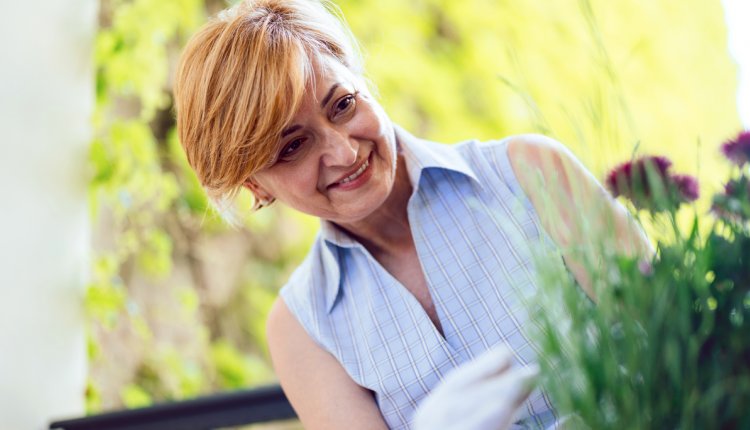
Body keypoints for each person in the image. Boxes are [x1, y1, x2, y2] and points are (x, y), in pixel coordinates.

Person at [173, 0, 651, 428]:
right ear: (255, 184)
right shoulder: (303, 328)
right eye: (293, 146)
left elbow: (682, 338)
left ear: (362, 80)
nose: (343, 151)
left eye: (342, 105)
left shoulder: (529, 173)